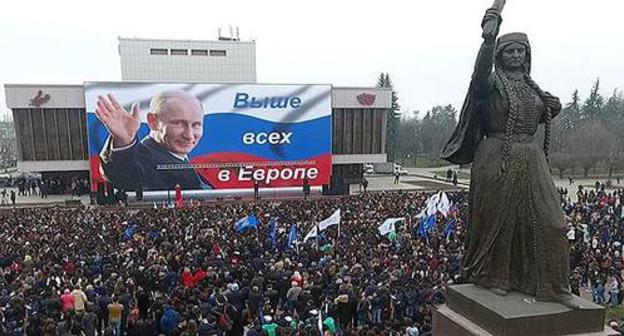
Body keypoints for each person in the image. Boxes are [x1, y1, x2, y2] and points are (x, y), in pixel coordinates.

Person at [442, 7, 570, 303]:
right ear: (500, 56)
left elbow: (537, 116)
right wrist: (489, 39)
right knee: (500, 222)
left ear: (527, 55)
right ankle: (494, 276)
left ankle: (555, 286)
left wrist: (554, 106)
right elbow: (479, 73)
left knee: (553, 223)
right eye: (509, 51)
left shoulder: (531, 87)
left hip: (531, 157)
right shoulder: (490, 85)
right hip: (497, 155)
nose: (515, 56)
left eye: (520, 51)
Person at [96, 90, 213, 191]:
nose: (189, 135)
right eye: (178, 123)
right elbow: (126, 178)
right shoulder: (143, 157)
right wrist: (123, 142)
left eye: (196, 125)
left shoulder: (178, 158)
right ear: (153, 121)